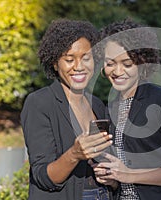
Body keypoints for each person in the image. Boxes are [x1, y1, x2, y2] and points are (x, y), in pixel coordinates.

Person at [91, 19, 161, 200]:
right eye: (110, 63)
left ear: (143, 63)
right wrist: (111, 178)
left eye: (127, 63)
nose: (117, 71)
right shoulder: (112, 107)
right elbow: (122, 177)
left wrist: (130, 174)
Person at [21, 19, 113, 200]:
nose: (79, 67)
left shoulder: (98, 104)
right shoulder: (39, 103)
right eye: (69, 59)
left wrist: (110, 176)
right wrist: (74, 154)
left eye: (86, 58)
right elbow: (42, 177)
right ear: (55, 63)